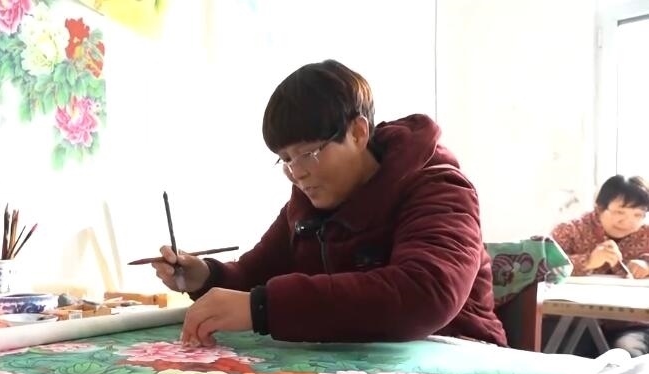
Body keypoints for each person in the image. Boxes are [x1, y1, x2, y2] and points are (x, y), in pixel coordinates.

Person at [150, 59, 507, 348]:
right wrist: (206, 276)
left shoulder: (438, 185)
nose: (297, 173)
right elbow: (255, 274)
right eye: (285, 159)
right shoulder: (307, 203)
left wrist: (262, 308)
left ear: (358, 133)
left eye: (308, 153)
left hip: (461, 359)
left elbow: (425, 293)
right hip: (365, 365)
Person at [550, 175, 649, 357]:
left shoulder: (646, 234)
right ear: (599, 207)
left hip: (634, 324)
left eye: (638, 215)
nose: (628, 222)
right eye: (619, 212)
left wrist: (646, 264)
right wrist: (587, 262)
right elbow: (544, 265)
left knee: (628, 350)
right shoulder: (570, 230)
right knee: (569, 353)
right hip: (574, 320)